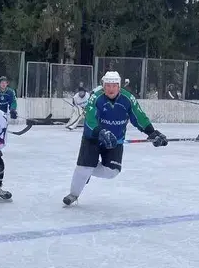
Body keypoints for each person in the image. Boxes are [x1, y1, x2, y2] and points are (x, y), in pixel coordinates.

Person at [62, 71, 168, 206]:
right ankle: (74, 194)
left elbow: (139, 117)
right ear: (103, 86)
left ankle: (85, 170)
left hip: (115, 140)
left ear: (119, 86)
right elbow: (90, 119)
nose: (110, 89)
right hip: (93, 138)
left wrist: (152, 133)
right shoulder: (96, 98)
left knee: (112, 172)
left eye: (114, 86)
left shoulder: (128, 99)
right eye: (107, 86)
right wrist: (100, 132)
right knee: (84, 167)